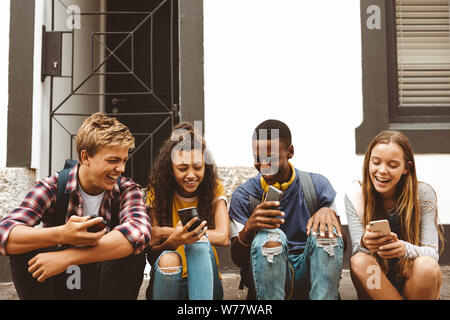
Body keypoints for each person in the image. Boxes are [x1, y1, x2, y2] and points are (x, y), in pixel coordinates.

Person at [0, 113, 151, 299]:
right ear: (86, 157)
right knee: (24, 250)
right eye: (113, 161)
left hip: (103, 283)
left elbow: (139, 232)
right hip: (60, 284)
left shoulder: (127, 190)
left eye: (124, 160)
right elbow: (5, 233)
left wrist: (68, 257)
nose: (121, 168)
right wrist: (63, 233)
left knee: (133, 250)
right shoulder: (53, 187)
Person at [229, 119, 345, 300]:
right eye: (257, 159)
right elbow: (238, 260)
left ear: (290, 151)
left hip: (311, 269)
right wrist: (248, 229)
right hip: (269, 275)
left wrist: (328, 214)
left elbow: (340, 246)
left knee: (325, 233)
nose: (263, 166)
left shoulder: (317, 185)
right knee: (269, 238)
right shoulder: (244, 196)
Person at [345, 130, 444, 300]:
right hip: (377, 286)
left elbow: (432, 253)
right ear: (368, 162)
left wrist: (405, 249)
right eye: (376, 162)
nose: (382, 171)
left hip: (414, 282)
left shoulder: (424, 194)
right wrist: (365, 242)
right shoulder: (356, 195)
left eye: (392, 165)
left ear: (407, 168)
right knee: (359, 260)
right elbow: (356, 251)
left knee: (427, 265)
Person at [145, 122, 229, 300]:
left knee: (197, 243)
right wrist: (174, 240)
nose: (191, 174)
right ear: (171, 169)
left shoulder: (213, 187)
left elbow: (223, 236)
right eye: (182, 168)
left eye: (198, 167)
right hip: (169, 279)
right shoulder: (157, 190)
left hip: (207, 281)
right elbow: (151, 250)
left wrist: (168, 232)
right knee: (169, 258)